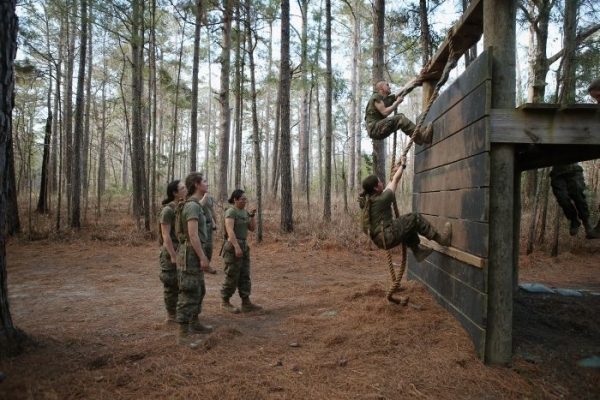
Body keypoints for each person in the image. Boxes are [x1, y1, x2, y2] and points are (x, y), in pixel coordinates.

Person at [359, 155, 452, 262]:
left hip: (381, 239)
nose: (382, 183)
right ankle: (442, 240)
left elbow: (390, 183)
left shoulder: (370, 199)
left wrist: (397, 168)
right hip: (388, 236)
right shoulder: (382, 199)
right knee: (414, 218)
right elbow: (395, 181)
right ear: (375, 188)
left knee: (407, 225)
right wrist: (403, 165)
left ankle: (418, 251)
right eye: (379, 182)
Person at [176, 172, 214, 344]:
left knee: (199, 289)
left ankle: (195, 322)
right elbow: (192, 235)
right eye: (204, 181)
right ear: (197, 185)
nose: (207, 183)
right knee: (189, 292)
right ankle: (183, 334)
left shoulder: (195, 204)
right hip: (191, 253)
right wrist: (202, 257)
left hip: (194, 252)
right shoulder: (192, 206)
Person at [220, 189, 262, 313]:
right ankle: (225, 301)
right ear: (235, 200)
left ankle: (246, 302)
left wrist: (252, 216)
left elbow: (252, 228)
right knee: (232, 274)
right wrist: (236, 246)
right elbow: (230, 230)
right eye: (243, 199)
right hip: (233, 246)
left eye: (245, 199)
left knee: (244, 275)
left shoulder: (244, 212)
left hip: (244, 245)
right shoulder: (231, 212)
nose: (245, 201)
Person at [364, 79, 433, 144]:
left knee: (400, 116)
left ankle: (419, 135)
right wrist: (396, 103)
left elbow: (403, 90)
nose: (390, 87)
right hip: (375, 129)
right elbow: (385, 112)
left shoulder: (386, 99)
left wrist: (415, 79)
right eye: (387, 85)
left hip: (378, 128)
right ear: (381, 87)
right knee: (400, 118)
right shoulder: (376, 97)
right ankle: (422, 137)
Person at [158, 180, 187, 325]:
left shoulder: (181, 207)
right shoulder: (168, 210)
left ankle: (179, 312)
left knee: (182, 283)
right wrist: (173, 255)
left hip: (181, 249)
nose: (185, 190)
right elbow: (165, 235)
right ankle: (171, 316)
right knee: (171, 284)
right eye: (182, 188)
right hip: (171, 250)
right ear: (175, 193)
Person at [549, 164, 597, 238]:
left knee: (578, 196)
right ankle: (574, 219)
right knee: (562, 198)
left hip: (573, 169)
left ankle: (586, 221)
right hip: (557, 172)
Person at [201, 193, 218, 274]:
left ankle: (206, 264)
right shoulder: (193, 197)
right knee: (201, 245)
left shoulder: (210, 197)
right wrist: (204, 197)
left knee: (209, 246)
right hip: (199, 224)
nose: (207, 186)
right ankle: (204, 265)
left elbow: (212, 210)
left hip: (209, 224)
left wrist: (216, 222)